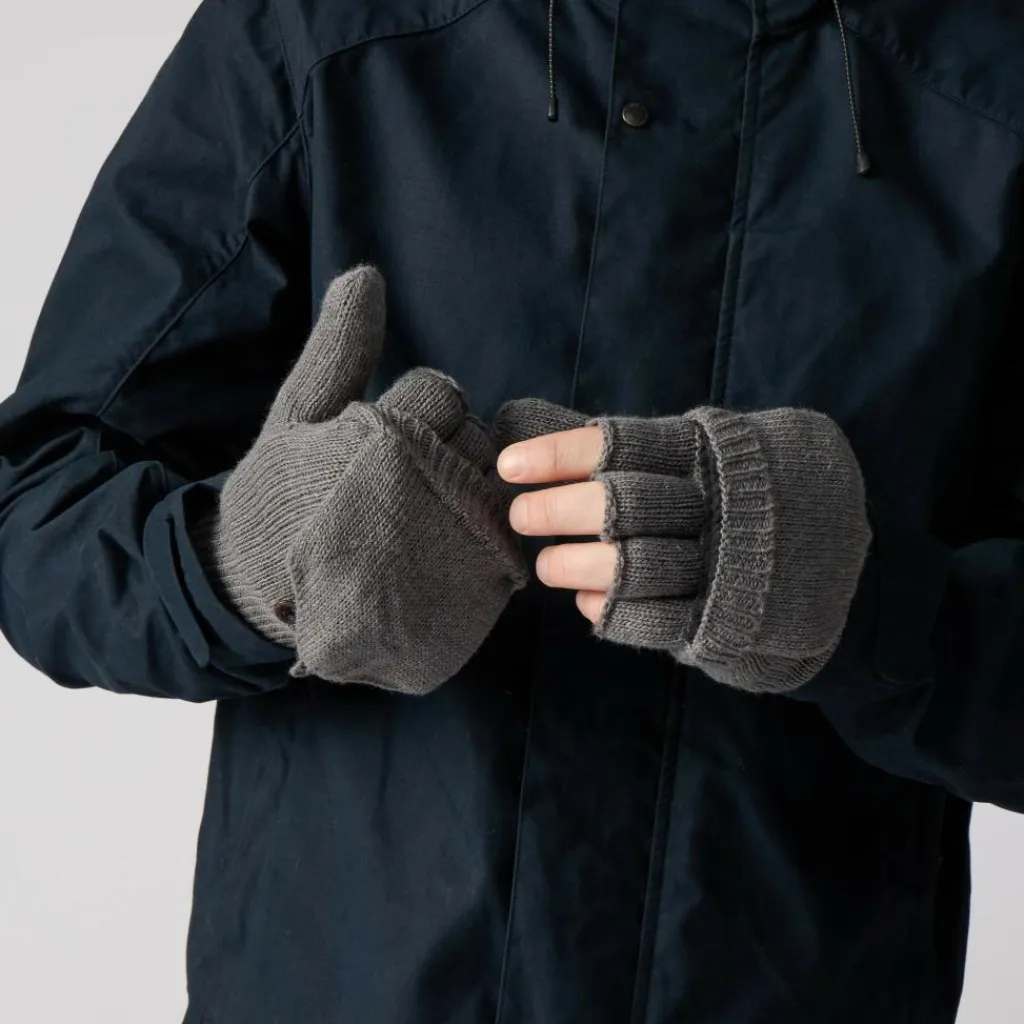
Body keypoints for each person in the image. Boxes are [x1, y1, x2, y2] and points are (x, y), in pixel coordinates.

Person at [1, 0, 1022, 1020]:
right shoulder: (322, 25)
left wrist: (865, 603)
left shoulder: (994, 71)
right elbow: (36, 503)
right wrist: (239, 564)